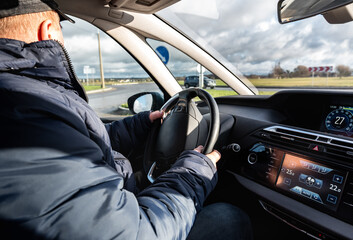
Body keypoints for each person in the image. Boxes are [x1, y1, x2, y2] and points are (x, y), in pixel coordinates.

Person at [0, 0, 252, 239]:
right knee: (230, 218)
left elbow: (72, 144)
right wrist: (193, 175)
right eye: (62, 29)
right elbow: (135, 234)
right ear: (48, 31)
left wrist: (137, 126)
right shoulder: (24, 106)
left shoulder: (22, 100)